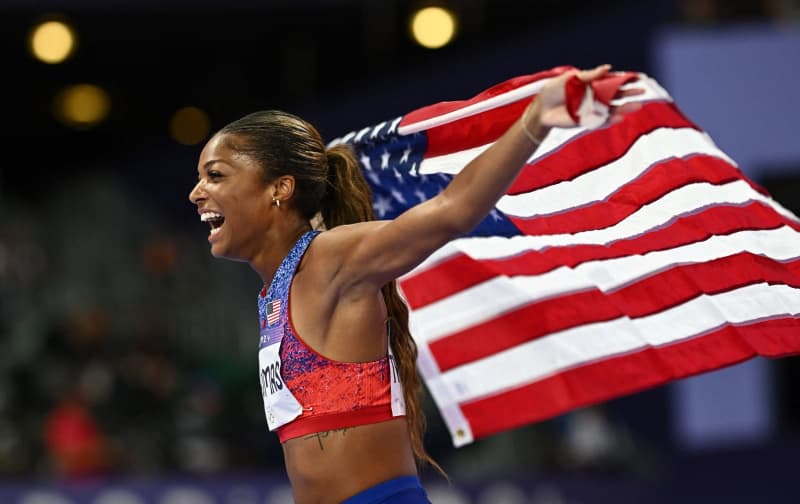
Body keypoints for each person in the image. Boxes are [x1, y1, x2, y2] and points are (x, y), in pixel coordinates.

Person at [188, 64, 638, 504]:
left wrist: (535, 119)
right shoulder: (277, 289)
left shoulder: (328, 261)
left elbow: (453, 210)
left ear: (278, 189)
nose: (196, 192)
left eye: (216, 175)